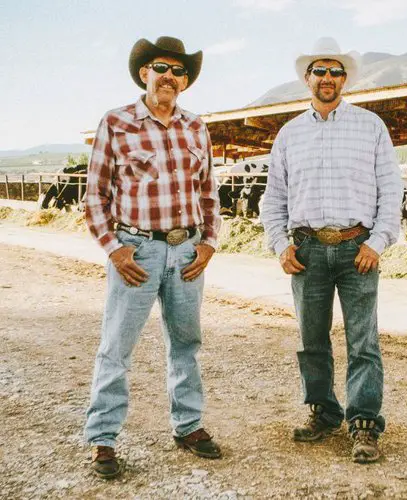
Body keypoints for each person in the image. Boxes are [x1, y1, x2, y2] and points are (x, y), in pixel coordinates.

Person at [83, 36, 222, 479]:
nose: (170, 77)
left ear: (185, 81)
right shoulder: (117, 122)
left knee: (186, 343)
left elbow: (208, 192)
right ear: (144, 72)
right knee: (117, 347)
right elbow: (95, 195)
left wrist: (208, 243)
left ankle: (188, 425)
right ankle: (103, 438)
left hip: (186, 251)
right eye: (162, 67)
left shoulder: (196, 126)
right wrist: (115, 248)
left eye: (179, 71)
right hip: (137, 251)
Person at [261, 37, 403, 464]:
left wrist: (378, 242)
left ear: (345, 79)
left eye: (335, 71)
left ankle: (364, 424)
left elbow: (391, 189)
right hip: (306, 249)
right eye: (320, 71)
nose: (327, 78)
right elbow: (274, 198)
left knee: (363, 341)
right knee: (311, 339)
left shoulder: (370, 126)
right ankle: (323, 411)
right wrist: (279, 244)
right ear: (307, 78)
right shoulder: (289, 133)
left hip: (356, 246)